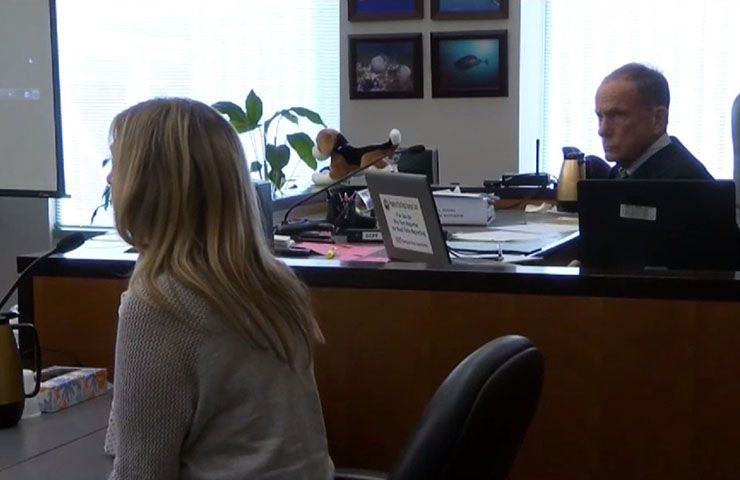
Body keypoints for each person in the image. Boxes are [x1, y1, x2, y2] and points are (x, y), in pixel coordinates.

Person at [103, 98, 334, 479]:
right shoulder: (273, 282)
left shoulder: (160, 303)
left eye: (118, 164)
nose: (110, 179)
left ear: (150, 185)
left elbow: (140, 472)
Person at [595, 63, 713, 179]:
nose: (602, 130)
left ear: (658, 119)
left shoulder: (682, 180)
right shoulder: (623, 170)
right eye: (600, 117)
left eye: (617, 116)